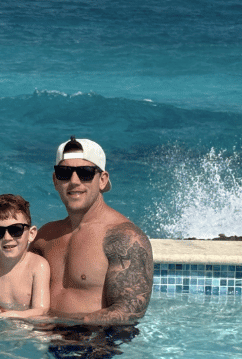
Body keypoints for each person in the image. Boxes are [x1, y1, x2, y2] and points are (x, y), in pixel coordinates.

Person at [31, 136, 153, 327]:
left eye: (85, 173)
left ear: (102, 180)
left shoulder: (124, 237)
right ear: (55, 180)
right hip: (46, 336)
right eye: (64, 173)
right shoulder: (46, 237)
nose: (74, 181)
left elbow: (130, 310)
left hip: (94, 342)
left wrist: (68, 324)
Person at [0, 194, 51, 318]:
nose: (7, 238)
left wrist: (10, 315)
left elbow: (41, 310)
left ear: (31, 234)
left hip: (29, 330)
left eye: (16, 230)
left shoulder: (37, 266)